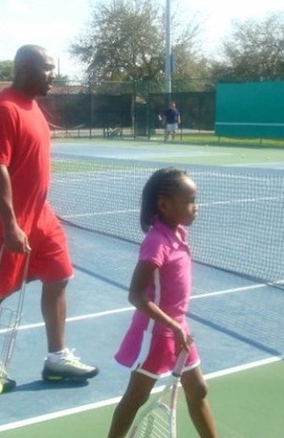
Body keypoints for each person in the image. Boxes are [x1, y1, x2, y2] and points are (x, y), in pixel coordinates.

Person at [0, 44, 99, 390]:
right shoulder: (3, 108)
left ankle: (56, 358)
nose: (52, 75)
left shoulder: (34, 108)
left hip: (42, 217)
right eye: (47, 68)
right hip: (8, 221)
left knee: (59, 275)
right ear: (25, 69)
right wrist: (10, 224)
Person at [108, 168, 217, 438]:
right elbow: (136, 295)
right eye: (190, 200)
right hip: (156, 333)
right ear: (164, 204)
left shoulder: (178, 235)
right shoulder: (156, 243)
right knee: (135, 397)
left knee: (198, 390)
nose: (196, 207)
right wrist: (172, 325)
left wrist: (178, 327)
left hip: (178, 329)